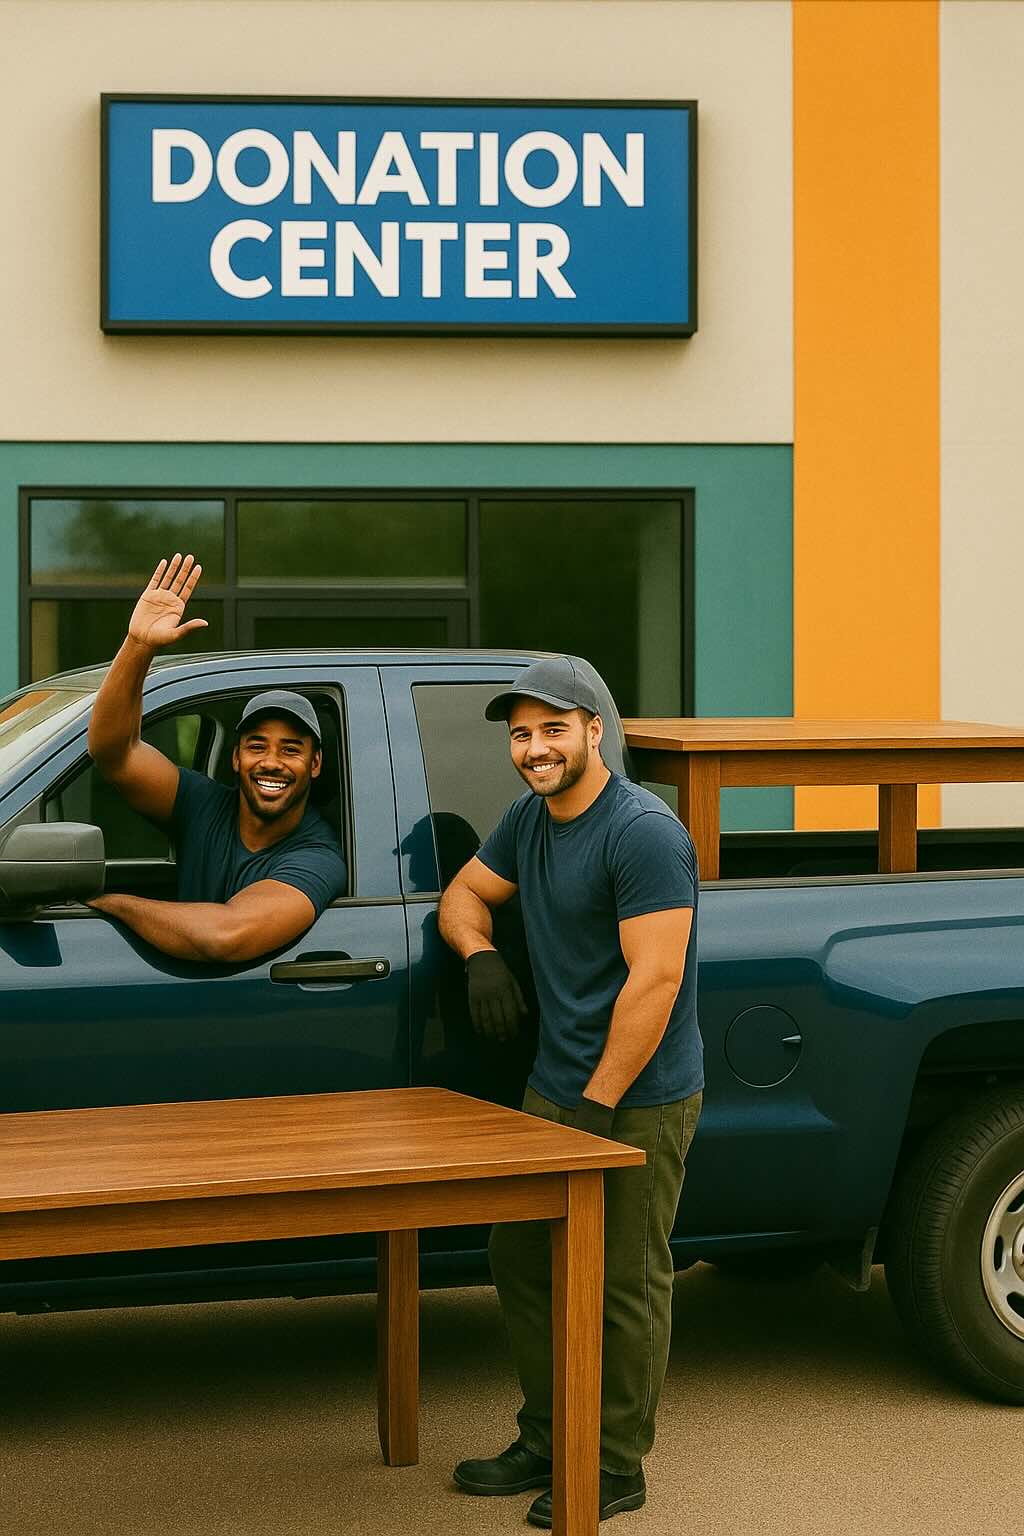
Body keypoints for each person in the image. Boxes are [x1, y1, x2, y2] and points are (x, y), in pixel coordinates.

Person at [438, 656, 703, 1528]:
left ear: (596, 731)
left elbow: (654, 982)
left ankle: (615, 1464)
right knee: (518, 1255)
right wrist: (479, 953)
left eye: (554, 728)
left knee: (622, 1280)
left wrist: (596, 1111)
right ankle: (549, 1436)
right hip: (557, 1081)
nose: (535, 747)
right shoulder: (529, 820)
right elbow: (464, 894)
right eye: (521, 733)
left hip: (638, 1093)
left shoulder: (643, 832)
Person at [86, 553, 347, 962]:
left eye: (291, 749)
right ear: (236, 759)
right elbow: (114, 752)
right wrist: (138, 645)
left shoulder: (317, 857)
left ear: (315, 765)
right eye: (257, 746)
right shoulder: (202, 804)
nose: (271, 762)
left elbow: (226, 935)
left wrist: (114, 903)